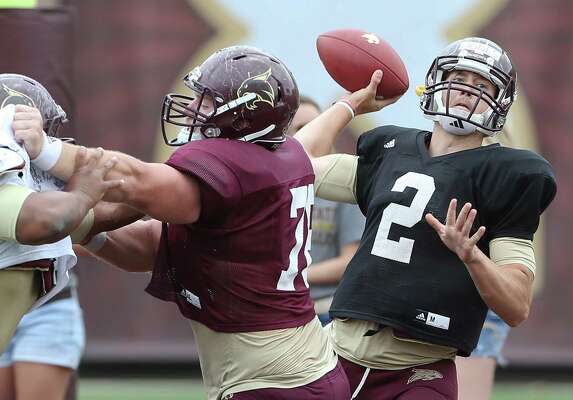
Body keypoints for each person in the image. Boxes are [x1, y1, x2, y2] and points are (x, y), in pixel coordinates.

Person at [17, 46, 350, 400]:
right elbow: (151, 245)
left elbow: (132, 180)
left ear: (241, 117)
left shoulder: (236, 167)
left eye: (206, 102)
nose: (191, 108)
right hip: (286, 371)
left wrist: (45, 150)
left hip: (275, 381)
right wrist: (78, 227)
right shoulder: (276, 157)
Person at [293, 37, 557, 399]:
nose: (467, 92)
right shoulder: (390, 150)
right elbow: (294, 164)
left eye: (482, 85)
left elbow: (516, 306)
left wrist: (472, 255)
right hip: (335, 355)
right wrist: (349, 105)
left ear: (500, 101)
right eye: (459, 79)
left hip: (419, 373)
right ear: (436, 83)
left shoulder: (508, 175)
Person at [0, 74, 120, 354]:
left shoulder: (36, 202)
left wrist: (169, 185)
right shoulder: (38, 210)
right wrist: (83, 193)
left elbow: (103, 213)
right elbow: (50, 219)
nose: (48, 142)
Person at [288, 96, 365, 325]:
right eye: (298, 129)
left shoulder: (344, 185)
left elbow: (350, 262)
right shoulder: (268, 186)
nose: (309, 135)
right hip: (278, 313)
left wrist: (290, 275)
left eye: (315, 125)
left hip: (327, 312)